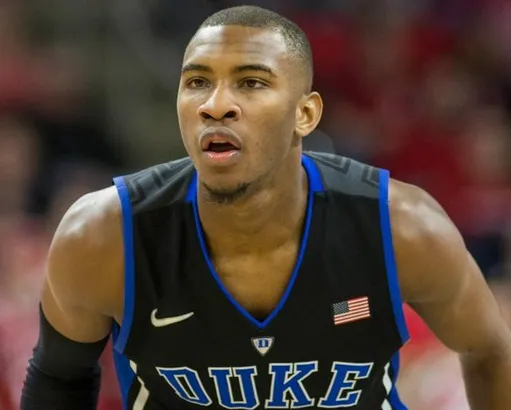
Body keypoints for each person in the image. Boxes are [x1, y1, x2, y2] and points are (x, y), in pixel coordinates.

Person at [20, 5, 511, 410]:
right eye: (197, 82)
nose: (216, 104)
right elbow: (59, 381)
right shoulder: (103, 235)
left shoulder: (400, 225)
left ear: (306, 113)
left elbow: (489, 350)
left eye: (251, 82)